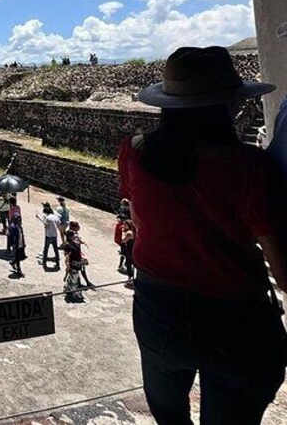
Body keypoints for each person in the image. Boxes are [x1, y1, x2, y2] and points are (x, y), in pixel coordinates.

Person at [119, 45, 286, 425]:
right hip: (234, 319)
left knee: (168, 416)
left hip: (158, 310)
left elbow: (143, 221)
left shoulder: (135, 152)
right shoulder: (249, 169)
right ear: (229, 105)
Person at [37, 202, 61, 271]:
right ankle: (58, 263)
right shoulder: (55, 217)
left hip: (48, 235)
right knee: (56, 250)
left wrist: (45, 225)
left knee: (46, 249)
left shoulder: (47, 218)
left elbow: (46, 226)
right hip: (55, 235)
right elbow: (58, 224)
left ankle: (44, 262)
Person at [62, 231, 84, 303]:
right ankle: (75, 295)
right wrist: (68, 265)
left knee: (72, 278)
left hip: (77, 264)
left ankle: (68, 289)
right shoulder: (68, 245)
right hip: (73, 265)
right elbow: (67, 257)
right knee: (75, 280)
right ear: (70, 236)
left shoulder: (75, 243)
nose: (75, 237)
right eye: (73, 236)